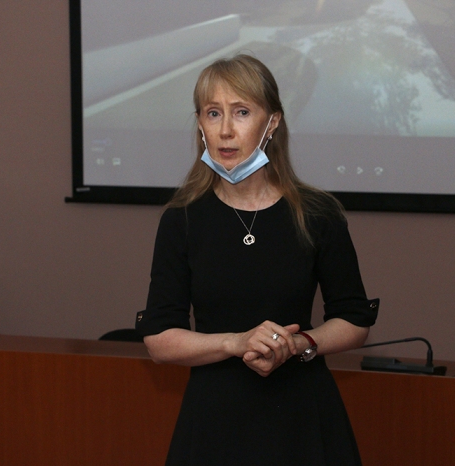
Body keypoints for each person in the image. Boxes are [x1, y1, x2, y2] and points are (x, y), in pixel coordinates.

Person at [135, 54, 379, 465]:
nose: (226, 130)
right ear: (200, 124)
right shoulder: (183, 220)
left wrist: (297, 345)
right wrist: (235, 342)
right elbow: (159, 339)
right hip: (214, 422)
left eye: (242, 112)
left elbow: (354, 320)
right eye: (213, 113)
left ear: (272, 123)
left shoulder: (317, 214)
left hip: (302, 418)